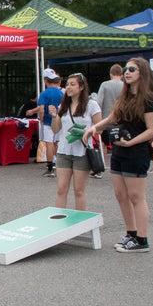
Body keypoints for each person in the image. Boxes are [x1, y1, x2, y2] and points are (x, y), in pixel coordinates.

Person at [84, 58, 153, 253]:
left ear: (141, 73)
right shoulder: (124, 96)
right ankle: (131, 233)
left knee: (136, 196)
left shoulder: (149, 99)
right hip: (119, 151)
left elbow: (152, 130)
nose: (127, 72)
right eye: (126, 69)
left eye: (132, 69)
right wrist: (94, 128)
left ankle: (142, 240)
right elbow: (112, 118)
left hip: (136, 152)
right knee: (120, 195)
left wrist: (131, 142)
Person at [49, 73, 102, 211]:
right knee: (61, 189)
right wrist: (55, 116)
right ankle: (59, 221)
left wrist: (87, 132)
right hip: (64, 151)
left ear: (82, 87)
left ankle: (80, 223)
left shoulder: (91, 105)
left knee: (79, 190)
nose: (68, 87)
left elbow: (100, 128)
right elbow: (56, 130)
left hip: (82, 152)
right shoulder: (64, 105)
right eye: (67, 84)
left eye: (73, 84)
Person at [37, 68, 63, 177]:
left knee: (49, 143)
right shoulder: (61, 92)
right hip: (59, 120)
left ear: (45, 80)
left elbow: (41, 108)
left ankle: (50, 167)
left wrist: (41, 119)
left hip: (48, 121)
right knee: (57, 142)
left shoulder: (44, 93)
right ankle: (59, 164)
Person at [95, 64, 125, 151]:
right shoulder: (125, 86)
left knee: (104, 144)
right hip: (121, 119)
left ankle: (103, 163)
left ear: (110, 74)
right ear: (122, 75)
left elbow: (99, 102)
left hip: (106, 119)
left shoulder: (104, 85)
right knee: (120, 142)